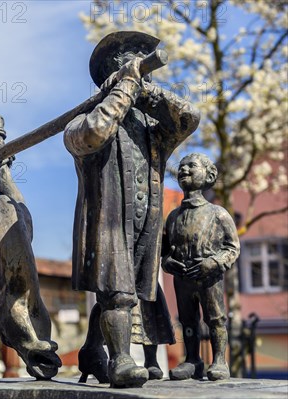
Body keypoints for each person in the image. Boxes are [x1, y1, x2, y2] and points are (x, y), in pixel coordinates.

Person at [64, 31, 200, 388]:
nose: (145, 69)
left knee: (126, 290)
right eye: (133, 60)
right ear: (112, 69)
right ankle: (121, 361)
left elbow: (189, 119)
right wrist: (124, 87)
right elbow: (97, 132)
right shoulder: (80, 122)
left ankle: (93, 351)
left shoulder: (153, 130)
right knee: (118, 290)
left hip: (144, 225)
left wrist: (149, 93)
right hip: (106, 222)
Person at [163, 153, 240, 381]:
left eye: (192, 166)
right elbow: (165, 251)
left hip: (209, 277)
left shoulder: (218, 213)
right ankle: (192, 359)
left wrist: (213, 262)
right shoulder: (173, 217)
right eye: (182, 166)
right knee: (187, 319)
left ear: (209, 175)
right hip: (183, 278)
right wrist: (167, 263)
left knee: (215, 318)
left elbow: (233, 247)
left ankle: (219, 360)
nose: (184, 170)